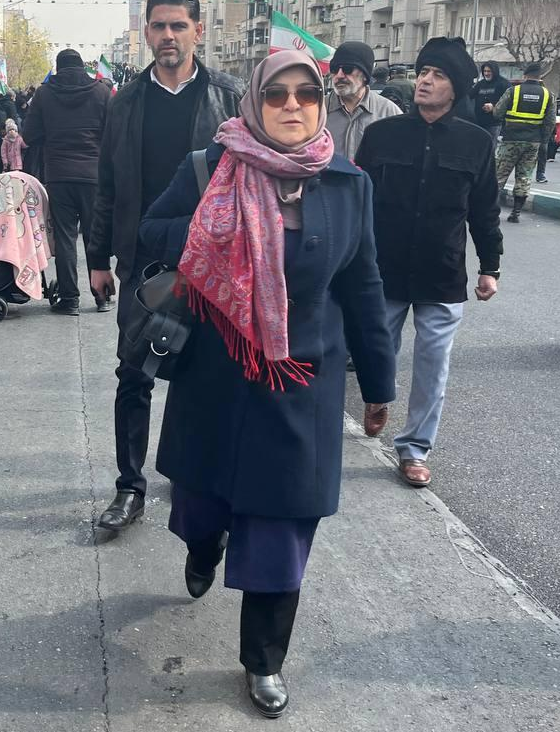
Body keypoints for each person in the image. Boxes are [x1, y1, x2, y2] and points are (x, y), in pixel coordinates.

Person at [139, 50, 395, 718]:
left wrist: (378, 381)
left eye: (304, 94)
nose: (290, 105)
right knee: (200, 505)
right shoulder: (210, 167)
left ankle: (263, 659)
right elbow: (150, 230)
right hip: (215, 377)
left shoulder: (348, 183)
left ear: (321, 102)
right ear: (254, 101)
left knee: (283, 525)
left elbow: (363, 285)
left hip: (299, 382)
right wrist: (215, 228)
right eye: (276, 93)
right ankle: (203, 547)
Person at [87, 0, 244, 532]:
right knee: (134, 372)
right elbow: (107, 185)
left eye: (179, 25)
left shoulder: (229, 97)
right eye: (159, 26)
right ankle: (129, 486)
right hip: (142, 260)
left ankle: (191, 477)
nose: (169, 35)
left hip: (213, 263)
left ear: (198, 30)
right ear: (147, 32)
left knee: (203, 376)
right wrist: (98, 258)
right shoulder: (125, 102)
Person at [356, 37, 503, 487]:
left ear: (455, 87)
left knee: (433, 365)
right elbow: (357, 201)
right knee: (376, 350)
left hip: (442, 273)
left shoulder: (476, 143)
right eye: (423, 72)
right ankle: (377, 397)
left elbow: (484, 210)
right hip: (384, 269)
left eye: (437, 75)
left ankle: (415, 448)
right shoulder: (381, 135)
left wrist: (490, 267)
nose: (425, 81)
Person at [23, 48, 112, 315]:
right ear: (82, 67)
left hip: (59, 175)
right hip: (94, 175)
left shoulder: (44, 94)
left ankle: (70, 299)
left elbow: (30, 135)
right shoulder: (101, 92)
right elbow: (114, 133)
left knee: (65, 238)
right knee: (96, 237)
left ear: (58, 68)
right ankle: (102, 297)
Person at [494, 62, 557, 222]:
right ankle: (516, 213)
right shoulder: (548, 95)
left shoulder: (513, 91)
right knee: (524, 176)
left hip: (510, 140)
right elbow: (550, 121)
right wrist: (542, 140)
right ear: (540, 76)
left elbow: (497, 112)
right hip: (533, 142)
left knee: (499, 175)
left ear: (525, 75)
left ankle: (491, 211)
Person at [325, 41, 402, 161]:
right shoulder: (318, 109)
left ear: (365, 75)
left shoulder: (388, 112)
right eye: (334, 69)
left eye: (348, 69)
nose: (339, 75)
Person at [470, 61, 511, 152]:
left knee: (490, 148)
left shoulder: (504, 84)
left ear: (494, 71)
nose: (486, 74)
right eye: (485, 71)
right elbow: (469, 95)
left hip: (494, 123)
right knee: (479, 148)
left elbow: (509, 102)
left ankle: (490, 161)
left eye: (489, 71)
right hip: (479, 122)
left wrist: (494, 106)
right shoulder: (480, 84)